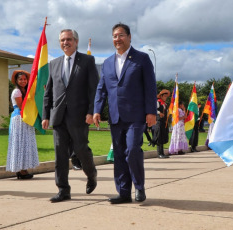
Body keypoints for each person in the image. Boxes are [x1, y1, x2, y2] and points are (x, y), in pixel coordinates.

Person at [93, 23, 157, 204]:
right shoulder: (106, 63)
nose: (117, 39)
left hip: (136, 116)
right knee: (119, 154)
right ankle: (123, 192)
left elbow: (150, 87)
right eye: (114, 36)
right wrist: (97, 110)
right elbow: (101, 89)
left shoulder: (142, 59)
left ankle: (139, 187)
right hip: (115, 117)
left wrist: (151, 111)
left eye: (121, 35)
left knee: (133, 150)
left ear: (129, 37)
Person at [42, 29, 99, 203]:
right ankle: (63, 190)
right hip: (58, 116)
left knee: (81, 150)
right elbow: (49, 92)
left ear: (75, 41)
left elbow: (93, 89)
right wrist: (46, 115)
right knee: (60, 154)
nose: (65, 43)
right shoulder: (54, 63)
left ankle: (92, 174)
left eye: (68, 39)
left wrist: (91, 111)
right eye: (62, 40)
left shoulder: (87, 61)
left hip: (80, 116)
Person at [6, 70, 39, 179]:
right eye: (20, 79)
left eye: (25, 79)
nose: (23, 81)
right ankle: (21, 170)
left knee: (25, 143)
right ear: (16, 81)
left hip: (25, 118)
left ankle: (23, 169)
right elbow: (22, 107)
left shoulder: (25, 91)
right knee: (20, 143)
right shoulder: (17, 92)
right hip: (19, 118)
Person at [151, 89, 170, 158]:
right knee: (159, 137)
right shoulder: (158, 102)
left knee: (162, 137)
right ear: (161, 96)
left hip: (164, 122)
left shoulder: (165, 104)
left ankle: (162, 153)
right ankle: (159, 153)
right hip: (158, 121)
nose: (165, 97)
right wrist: (159, 113)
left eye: (166, 96)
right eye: (164, 96)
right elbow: (153, 109)